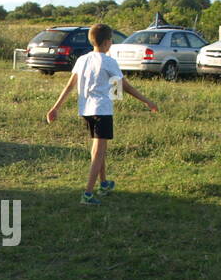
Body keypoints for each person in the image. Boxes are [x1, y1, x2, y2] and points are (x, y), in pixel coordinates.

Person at [44, 23, 158, 205]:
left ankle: (104, 183)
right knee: (99, 152)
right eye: (111, 40)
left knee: (99, 148)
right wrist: (147, 101)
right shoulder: (108, 61)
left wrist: (56, 107)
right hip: (101, 110)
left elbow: (70, 84)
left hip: (86, 110)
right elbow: (124, 86)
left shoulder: (82, 59)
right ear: (106, 42)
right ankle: (88, 194)